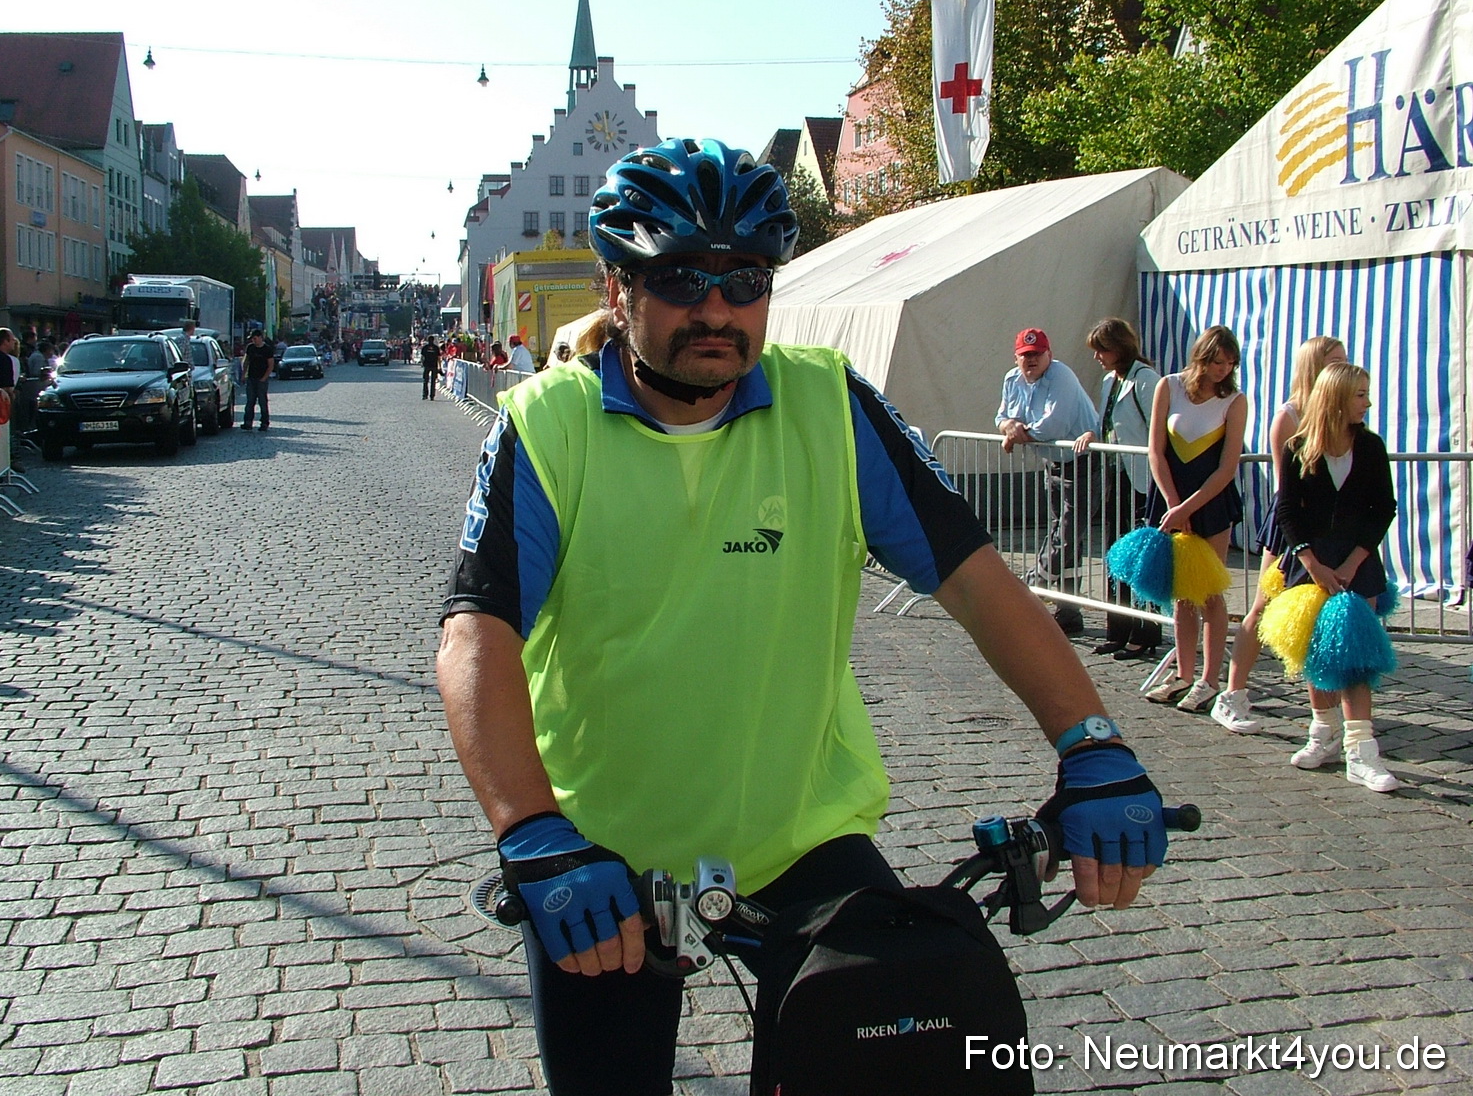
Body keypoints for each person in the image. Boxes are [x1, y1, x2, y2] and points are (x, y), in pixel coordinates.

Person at [436, 138, 1168, 1096]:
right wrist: (531, 826)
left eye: (745, 279)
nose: (716, 308)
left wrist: (1093, 743)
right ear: (618, 288)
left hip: (804, 836)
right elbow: (476, 635)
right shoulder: (545, 425)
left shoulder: (828, 403)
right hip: (603, 850)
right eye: (680, 277)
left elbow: (979, 583)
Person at [1214, 335, 1348, 734]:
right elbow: (1288, 487)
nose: (1341, 367)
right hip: (1293, 524)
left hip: (1332, 526)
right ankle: (1232, 694)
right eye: (1334, 361)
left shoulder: (1346, 412)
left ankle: (1332, 708)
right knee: (1264, 603)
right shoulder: (1289, 416)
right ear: (1313, 367)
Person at [1276, 362, 1399, 791]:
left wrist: (1351, 563)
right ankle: (1323, 732)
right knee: (1317, 654)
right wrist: (1311, 562)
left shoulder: (1370, 446)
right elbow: (1287, 510)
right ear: (1337, 397)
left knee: (1354, 658)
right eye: (1360, 394)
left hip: (1357, 564)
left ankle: (1362, 752)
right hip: (1311, 564)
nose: (1367, 402)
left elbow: (1383, 508)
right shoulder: (1297, 447)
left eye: (1366, 393)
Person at [1144, 326, 1248, 712]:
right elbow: (1155, 450)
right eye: (1218, 361)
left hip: (1211, 502)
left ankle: (1209, 680)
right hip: (1171, 496)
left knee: (1208, 591)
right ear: (1201, 357)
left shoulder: (1234, 400)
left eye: (1230, 363)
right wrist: (1174, 504)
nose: (1224, 369)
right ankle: (1183, 674)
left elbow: (1227, 467)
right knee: (1181, 592)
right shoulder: (1168, 386)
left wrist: (1189, 507)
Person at [995, 327, 1099, 634]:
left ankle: (1029, 588)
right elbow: (1001, 417)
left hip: (1083, 463)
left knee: (1066, 535)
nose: (1031, 361)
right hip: (1052, 463)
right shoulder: (1011, 379)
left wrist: (1018, 434)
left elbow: (1054, 425)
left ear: (1049, 355)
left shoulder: (1061, 376)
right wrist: (1009, 427)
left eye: (1037, 355)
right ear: (1016, 358)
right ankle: (1069, 612)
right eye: (1025, 355)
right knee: (1065, 537)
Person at [1074, 317, 1163, 659]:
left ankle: (1145, 631)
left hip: (1142, 479)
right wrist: (1092, 434)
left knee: (1141, 555)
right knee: (1116, 552)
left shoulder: (1145, 379)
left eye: (1102, 350)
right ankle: (1118, 629)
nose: (1097, 357)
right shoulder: (1110, 381)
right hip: (1116, 475)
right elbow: (1107, 423)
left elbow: (1157, 428)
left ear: (1119, 348)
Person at [241, 329, 274, 430]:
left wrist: (264, 378)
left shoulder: (267, 349)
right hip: (251, 378)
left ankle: (264, 422)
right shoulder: (250, 347)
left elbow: (271, 365)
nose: (253, 341)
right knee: (250, 401)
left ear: (260, 337)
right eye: (252, 339)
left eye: (255, 338)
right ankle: (248, 422)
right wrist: (244, 374)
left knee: (262, 401)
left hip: (262, 379)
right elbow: (246, 361)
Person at [420, 336, 443, 400]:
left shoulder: (425, 347)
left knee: (425, 381)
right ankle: (432, 396)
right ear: (433, 340)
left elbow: (422, 357)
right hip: (434, 365)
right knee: (433, 381)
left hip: (427, 365)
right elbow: (439, 358)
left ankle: (425, 395)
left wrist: (422, 363)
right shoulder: (436, 348)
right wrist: (440, 366)